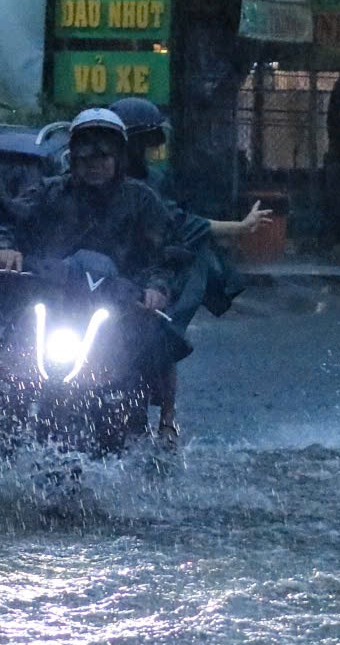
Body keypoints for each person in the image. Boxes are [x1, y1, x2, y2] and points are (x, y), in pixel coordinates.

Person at [0, 107, 186, 442]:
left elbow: (170, 253)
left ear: (118, 159)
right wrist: (7, 247)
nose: (93, 166)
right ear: (73, 159)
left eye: (102, 158)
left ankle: (167, 421)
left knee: (162, 338)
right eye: (85, 158)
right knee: (11, 338)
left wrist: (156, 287)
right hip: (56, 302)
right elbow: (9, 220)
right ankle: (8, 422)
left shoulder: (141, 200)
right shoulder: (50, 192)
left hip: (120, 307)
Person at [107, 96, 273, 445]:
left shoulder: (153, 181)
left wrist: (240, 227)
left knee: (164, 337)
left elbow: (180, 223)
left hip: (153, 270)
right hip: (104, 273)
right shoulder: (86, 178)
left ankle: (168, 419)